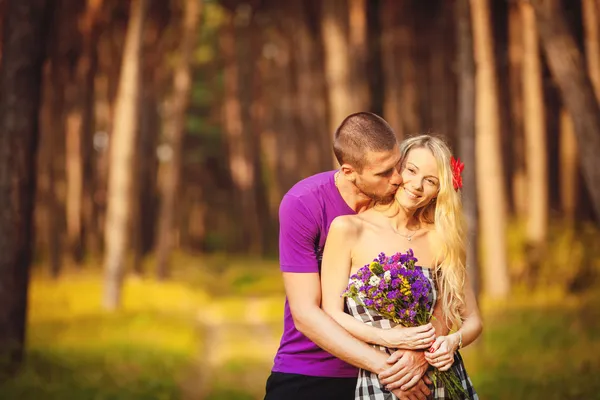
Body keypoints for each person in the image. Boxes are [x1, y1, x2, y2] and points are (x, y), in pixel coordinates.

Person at [265, 113, 433, 400]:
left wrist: (417, 356)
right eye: (383, 173)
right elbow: (305, 314)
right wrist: (388, 370)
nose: (396, 180)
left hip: (398, 370)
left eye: (397, 166)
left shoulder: (405, 199)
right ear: (348, 171)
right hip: (312, 370)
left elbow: (442, 281)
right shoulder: (303, 204)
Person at [320, 134, 483, 399]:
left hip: (442, 381)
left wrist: (452, 342)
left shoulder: (440, 238)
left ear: (439, 191)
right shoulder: (348, 229)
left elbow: (473, 319)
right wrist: (392, 341)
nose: (417, 186)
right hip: (382, 381)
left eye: (430, 181)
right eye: (411, 170)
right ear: (396, 170)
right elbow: (332, 314)